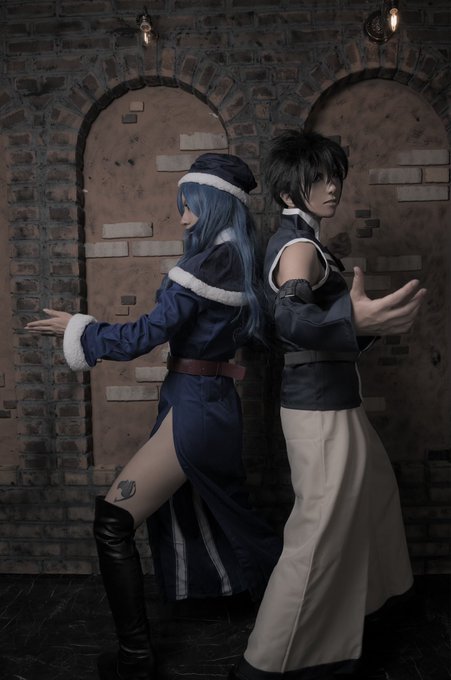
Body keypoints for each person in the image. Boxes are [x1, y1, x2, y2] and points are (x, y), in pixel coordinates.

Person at [25, 153, 282, 680]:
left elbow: (143, 335)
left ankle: (137, 657)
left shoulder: (204, 267)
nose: (183, 218)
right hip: (209, 403)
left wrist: (78, 328)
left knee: (113, 522)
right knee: (227, 514)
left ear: (214, 204)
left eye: (189, 206)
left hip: (196, 407)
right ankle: (302, 601)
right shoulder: (237, 260)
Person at [229, 130, 427, 680]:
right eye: (317, 178)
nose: (332, 186)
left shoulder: (309, 243)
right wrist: (354, 319)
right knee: (318, 533)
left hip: (336, 404)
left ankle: (371, 611)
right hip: (318, 412)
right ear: (288, 192)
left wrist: (362, 325)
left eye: (334, 175)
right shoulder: (297, 248)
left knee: (375, 497)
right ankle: (267, 663)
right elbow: (291, 318)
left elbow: (321, 328)